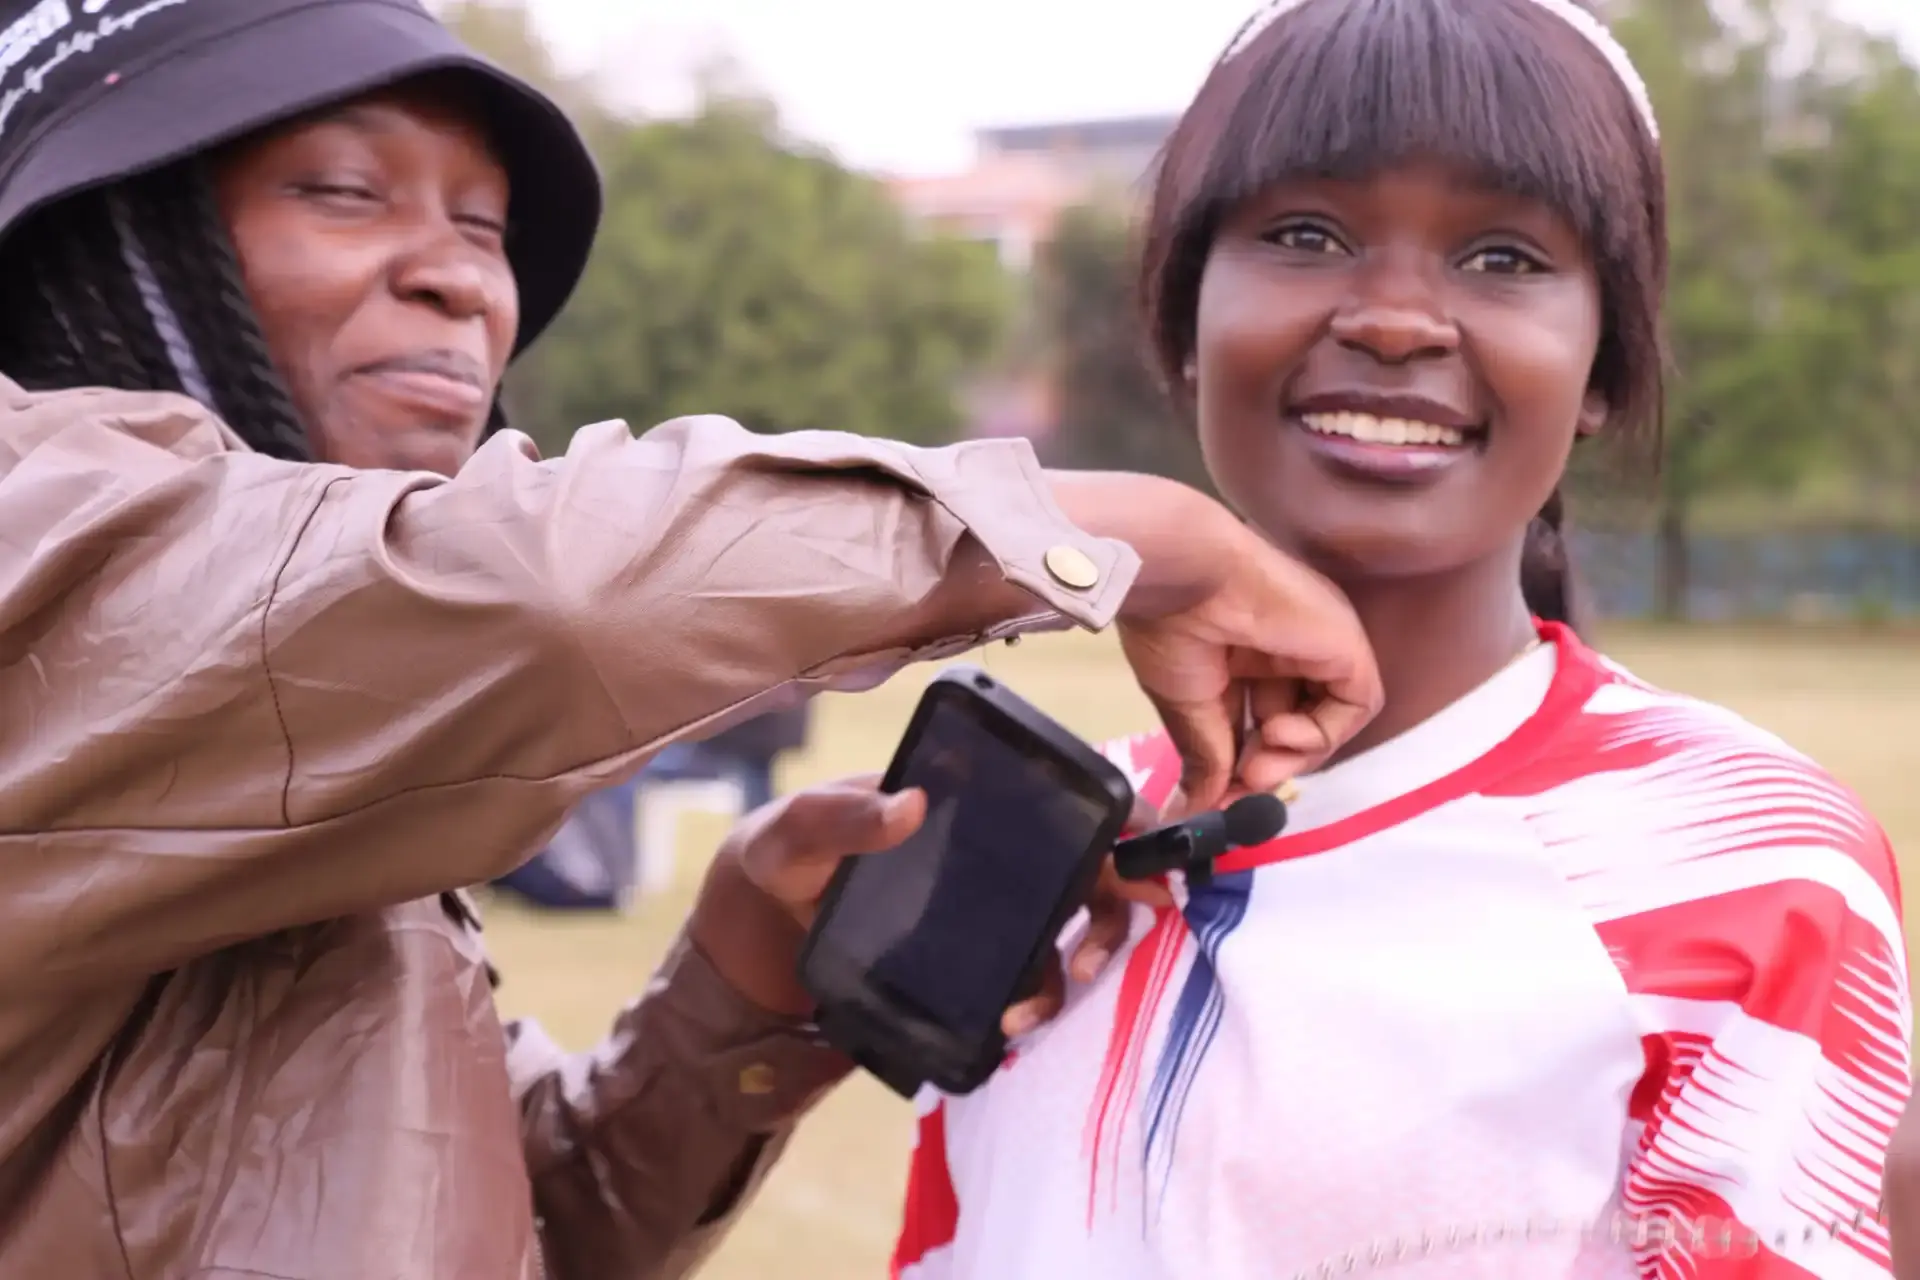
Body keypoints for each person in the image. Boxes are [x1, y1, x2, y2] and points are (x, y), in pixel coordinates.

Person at [0, 2, 1389, 1278]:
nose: (458, 282)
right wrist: (1111, 535)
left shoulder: (298, 724)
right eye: (344, 193)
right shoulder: (37, 520)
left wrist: (734, 983)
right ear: (107, 241)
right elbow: (544, 602)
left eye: (486, 231)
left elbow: (516, 1219)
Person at [742, 1, 1913, 1276]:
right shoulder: (1063, 840)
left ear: (1607, 370)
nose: (1398, 318)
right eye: (1307, 233)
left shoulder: (1743, 856)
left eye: (1505, 257)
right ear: (1179, 321)